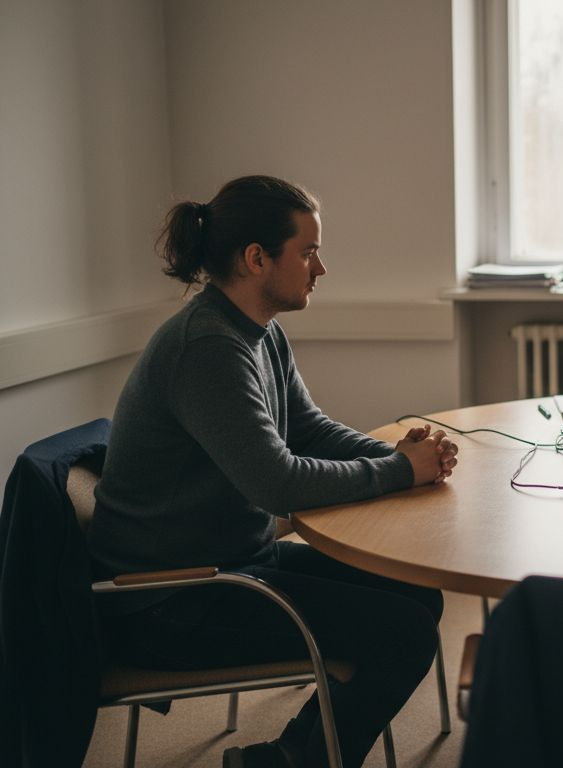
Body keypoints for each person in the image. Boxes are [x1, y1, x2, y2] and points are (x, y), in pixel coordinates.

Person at [85, 175, 458, 768]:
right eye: (308, 251)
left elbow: (308, 429)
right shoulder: (207, 348)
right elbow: (276, 483)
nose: (322, 267)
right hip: (169, 600)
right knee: (402, 632)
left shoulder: (261, 334)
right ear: (256, 259)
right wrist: (397, 472)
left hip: (232, 563)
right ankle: (294, 761)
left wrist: (398, 458)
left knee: (418, 594)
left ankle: (290, 755)